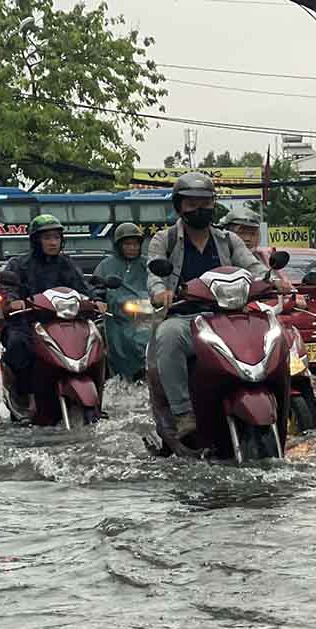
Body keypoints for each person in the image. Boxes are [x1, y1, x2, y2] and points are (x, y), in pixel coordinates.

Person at [146, 172, 289, 442]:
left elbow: (253, 267)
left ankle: (282, 407)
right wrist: (160, 291)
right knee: (168, 336)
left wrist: (272, 281)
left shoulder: (228, 240)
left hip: (227, 318)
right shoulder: (163, 240)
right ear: (179, 206)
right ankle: (183, 413)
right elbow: (154, 273)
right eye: (191, 203)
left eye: (206, 202)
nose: (199, 209)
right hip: (185, 318)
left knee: (274, 334)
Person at [0, 214, 102, 401]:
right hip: (28, 322)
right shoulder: (19, 264)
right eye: (47, 238)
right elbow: (8, 289)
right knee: (17, 344)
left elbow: (83, 287)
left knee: (98, 342)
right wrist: (13, 301)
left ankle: (99, 394)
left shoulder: (67, 264)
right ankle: (24, 394)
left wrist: (96, 300)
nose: (53, 242)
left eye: (56, 237)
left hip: (65, 322)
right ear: (36, 241)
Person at [93, 222, 152, 381]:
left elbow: (159, 285)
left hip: (145, 314)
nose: (132, 248)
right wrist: (98, 299)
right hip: (116, 316)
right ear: (119, 245)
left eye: (136, 244)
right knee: (117, 348)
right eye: (127, 244)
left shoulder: (147, 264)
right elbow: (97, 286)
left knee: (149, 344)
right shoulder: (106, 265)